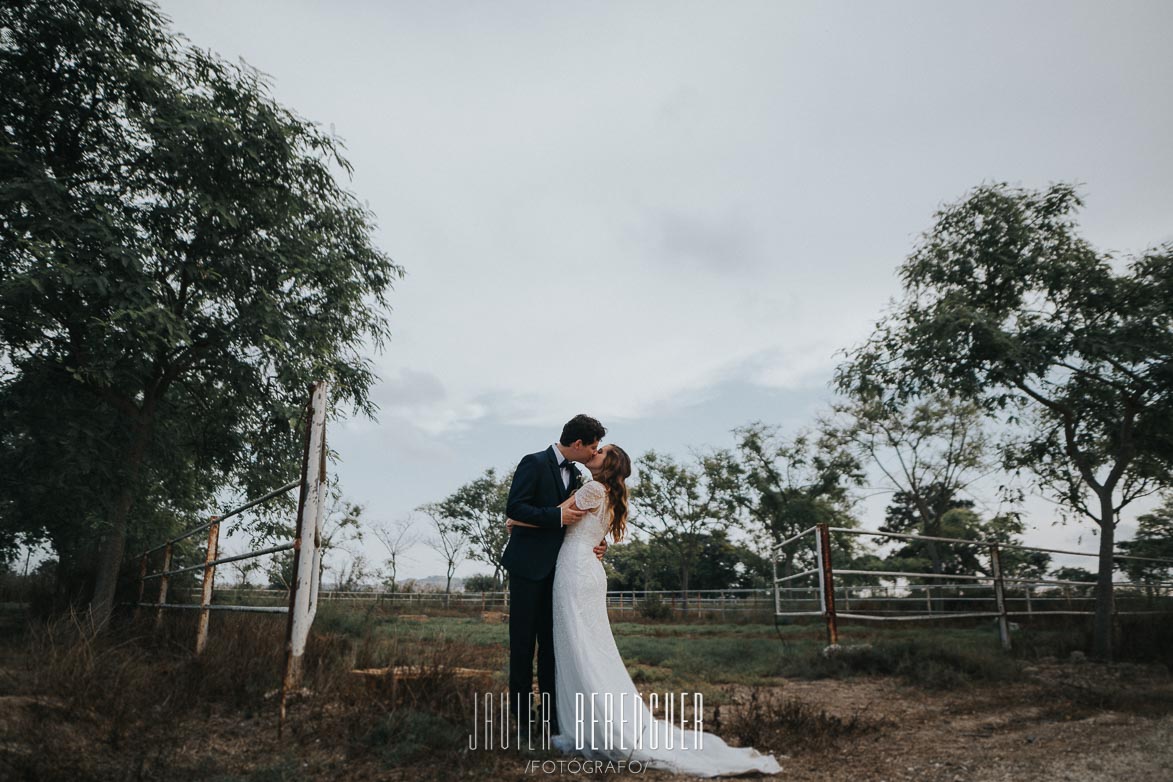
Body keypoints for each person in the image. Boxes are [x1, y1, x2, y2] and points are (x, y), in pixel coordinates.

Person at [507, 444, 782, 777]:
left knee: (578, 647)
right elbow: (577, 523)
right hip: (585, 570)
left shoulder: (592, 488)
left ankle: (581, 721)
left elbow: (557, 516)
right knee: (586, 646)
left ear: (608, 464)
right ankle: (573, 717)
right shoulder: (607, 492)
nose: (595, 452)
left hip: (575, 571)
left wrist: (515, 520)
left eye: (601, 451)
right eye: (595, 447)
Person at [501, 413, 609, 735]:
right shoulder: (532, 463)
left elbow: (584, 518)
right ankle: (522, 724)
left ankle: (550, 721)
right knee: (522, 647)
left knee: (552, 648)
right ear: (577, 443)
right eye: (592, 448)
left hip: (561, 574)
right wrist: (556, 515)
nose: (593, 454)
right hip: (527, 569)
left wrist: (599, 542)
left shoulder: (577, 475)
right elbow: (515, 509)